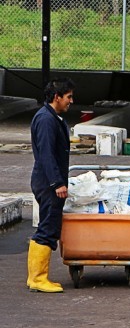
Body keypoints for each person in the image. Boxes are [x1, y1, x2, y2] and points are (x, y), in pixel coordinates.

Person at [27, 78, 75, 293]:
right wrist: (57, 182)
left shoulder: (51, 117)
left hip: (48, 181)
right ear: (57, 97)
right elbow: (46, 154)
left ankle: (36, 277)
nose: (71, 101)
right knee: (48, 227)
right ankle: (38, 278)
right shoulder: (46, 119)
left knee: (49, 225)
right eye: (68, 97)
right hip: (48, 183)